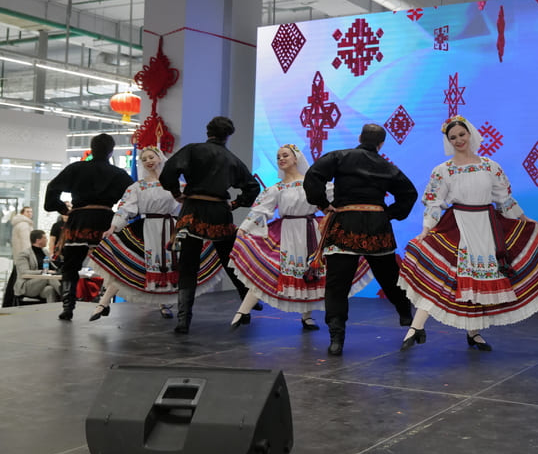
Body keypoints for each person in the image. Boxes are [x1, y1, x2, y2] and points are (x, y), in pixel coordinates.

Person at [398, 115, 538, 352]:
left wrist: (524, 220)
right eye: (453, 137)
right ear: (448, 141)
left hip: (488, 226)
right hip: (457, 225)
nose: (459, 140)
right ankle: (416, 327)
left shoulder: (490, 166)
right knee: (446, 278)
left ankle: (473, 332)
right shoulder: (443, 170)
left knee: (478, 282)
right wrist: (426, 230)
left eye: (462, 135)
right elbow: (434, 203)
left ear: (470, 134)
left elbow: (504, 199)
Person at [229, 144, 373, 331]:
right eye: (278, 157)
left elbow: (337, 198)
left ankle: (307, 317)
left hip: (312, 230)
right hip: (287, 232)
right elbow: (260, 210)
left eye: (285, 155)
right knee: (270, 272)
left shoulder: (312, 183)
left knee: (311, 271)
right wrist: (244, 229)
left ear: (296, 158)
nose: (281, 159)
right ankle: (242, 311)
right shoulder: (277, 188)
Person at [303, 123, 417, 356]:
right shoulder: (387, 166)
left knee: (337, 285)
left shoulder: (339, 156)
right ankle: (404, 311)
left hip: (345, 224)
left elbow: (313, 175)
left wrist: (322, 204)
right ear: (381, 143)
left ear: (359, 137)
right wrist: (389, 214)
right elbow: (409, 193)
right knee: (389, 277)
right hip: (377, 227)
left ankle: (336, 338)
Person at [88, 146, 223, 322]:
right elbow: (126, 208)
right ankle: (103, 303)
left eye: (151, 157)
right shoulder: (138, 186)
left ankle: (165, 304)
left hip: (174, 230)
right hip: (147, 229)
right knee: (127, 268)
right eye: (144, 159)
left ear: (160, 158)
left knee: (176, 267)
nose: (148, 161)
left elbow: (193, 206)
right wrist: (114, 226)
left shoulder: (179, 185)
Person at [160, 116, 261, 334]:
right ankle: (246, 308)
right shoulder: (231, 159)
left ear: (208, 131)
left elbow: (167, 173)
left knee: (188, 265)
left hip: (192, 209)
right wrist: (235, 204)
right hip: (219, 212)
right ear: (228, 135)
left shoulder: (191, 150)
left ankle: (183, 320)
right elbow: (253, 188)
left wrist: (176, 193)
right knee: (230, 261)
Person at [44, 133, 134, 320]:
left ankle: (68, 307)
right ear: (111, 152)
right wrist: (122, 216)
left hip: (79, 220)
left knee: (70, 265)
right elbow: (133, 196)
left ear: (91, 149)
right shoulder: (118, 174)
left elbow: (53, 187)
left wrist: (61, 208)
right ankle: (103, 301)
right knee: (111, 264)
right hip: (105, 221)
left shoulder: (76, 168)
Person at [13, 229, 60, 302]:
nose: (47, 240)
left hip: (41, 285)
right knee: (48, 277)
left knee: (50, 289)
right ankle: (67, 296)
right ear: (38, 240)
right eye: (45, 238)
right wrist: (43, 272)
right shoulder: (24, 254)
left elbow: (52, 266)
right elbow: (24, 272)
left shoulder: (45, 252)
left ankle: (53, 308)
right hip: (27, 286)